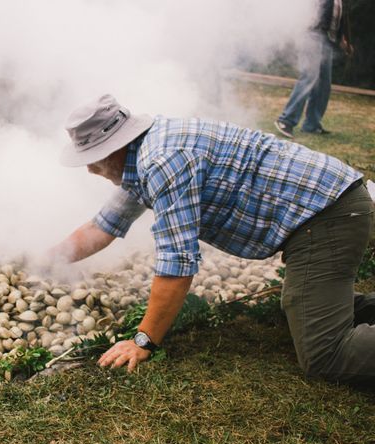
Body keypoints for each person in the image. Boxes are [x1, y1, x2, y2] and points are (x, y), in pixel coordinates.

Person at [53, 94, 375, 385]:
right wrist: (46, 258)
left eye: (93, 158)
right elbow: (101, 227)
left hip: (328, 214)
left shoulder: (163, 161)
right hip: (326, 207)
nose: (92, 170)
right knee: (301, 303)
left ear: (115, 147)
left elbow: (177, 263)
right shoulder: (144, 155)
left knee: (325, 354)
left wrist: (143, 341)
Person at [274, 0, 352, 138]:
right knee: (309, 76)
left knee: (323, 85)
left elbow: (337, 19)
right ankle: (286, 120)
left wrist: (343, 40)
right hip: (311, 35)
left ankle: (312, 125)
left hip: (327, 39)